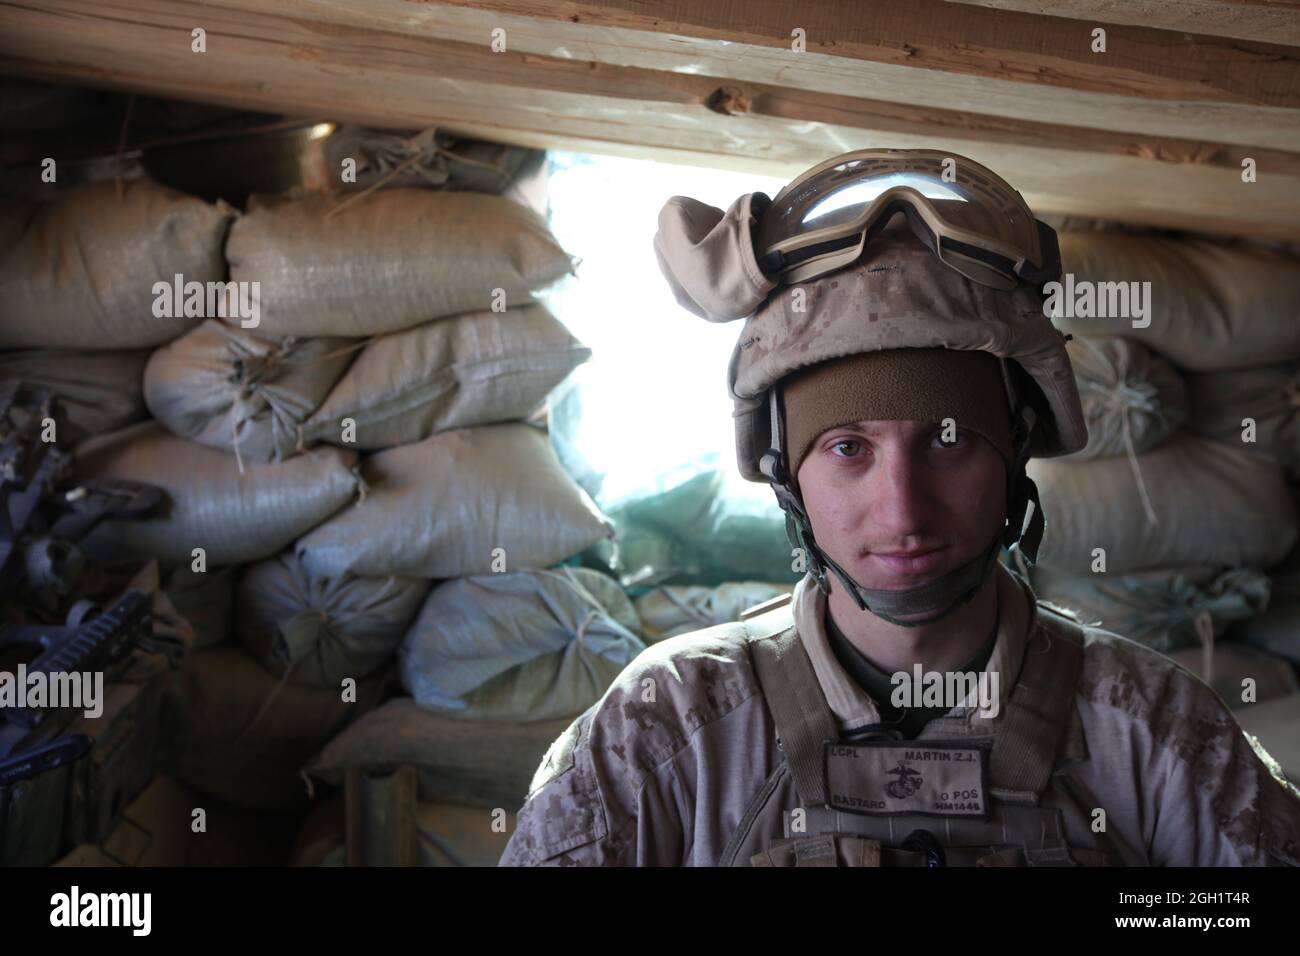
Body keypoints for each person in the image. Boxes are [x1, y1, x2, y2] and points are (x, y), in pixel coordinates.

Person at [498, 149, 1300, 867]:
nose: (903, 510)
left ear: (1015, 456)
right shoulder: (666, 729)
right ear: (786, 475)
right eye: (848, 448)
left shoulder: (1154, 727)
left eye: (950, 444)